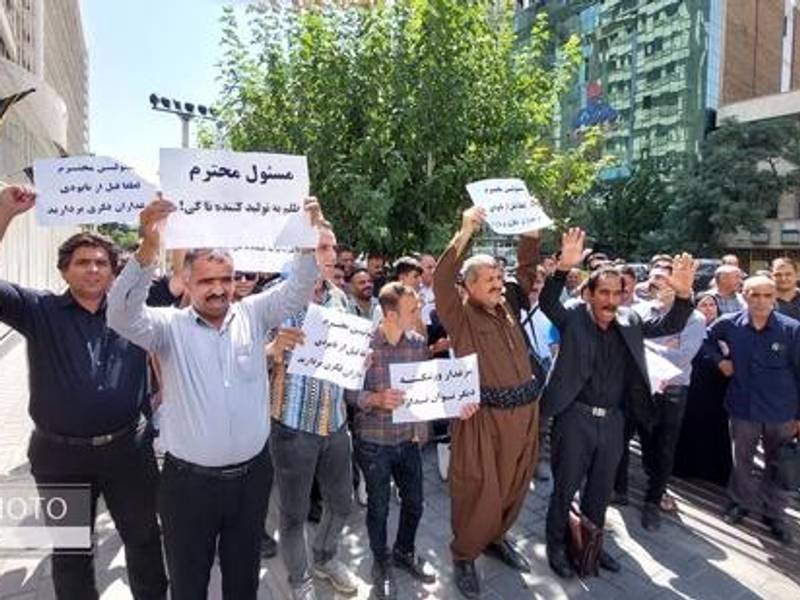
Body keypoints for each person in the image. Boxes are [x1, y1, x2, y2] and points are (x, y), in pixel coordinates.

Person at [107, 198, 322, 600]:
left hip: (251, 480)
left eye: (226, 278)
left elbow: (296, 292)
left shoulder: (253, 314)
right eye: (207, 281)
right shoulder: (167, 327)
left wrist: (307, 240)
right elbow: (119, 315)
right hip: (188, 487)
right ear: (186, 284)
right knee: (189, 583)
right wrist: (147, 250)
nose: (219, 289)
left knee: (243, 580)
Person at [0, 184, 168, 600]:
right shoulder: (37, 310)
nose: (92, 269)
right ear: (64, 271)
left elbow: (179, 277)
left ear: (113, 271)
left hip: (129, 452)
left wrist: (152, 236)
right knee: (72, 551)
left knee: (144, 538)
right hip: (60, 458)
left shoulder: (133, 311)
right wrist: (4, 213)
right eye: (81, 262)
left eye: (100, 263)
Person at [539, 228, 696, 579]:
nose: (611, 300)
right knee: (565, 488)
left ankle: (591, 545)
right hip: (574, 418)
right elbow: (548, 303)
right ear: (589, 294)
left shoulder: (631, 320)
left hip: (614, 422)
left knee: (600, 490)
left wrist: (684, 294)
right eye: (604, 293)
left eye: (617, 293)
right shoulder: (573, 316)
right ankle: (556, 546)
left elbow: (670, 322)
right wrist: (563, 268)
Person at [433, 207, 538, 599]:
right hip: (483, 419)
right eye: (490, 279)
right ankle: (464, 555)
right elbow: (442, 280)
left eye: (498, 277)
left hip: (524, 414)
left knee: (514, 484)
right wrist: (464, 232)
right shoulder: (459, 316)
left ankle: (496, 538)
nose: (498, 284)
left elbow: (526, 272)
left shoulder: (507, 306)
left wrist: (530, 233)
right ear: (469, 285)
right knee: (478, 489)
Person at [268, 225, 359, 600]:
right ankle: (299, 579)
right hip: (293, 427)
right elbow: (245, 357)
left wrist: (361, 360)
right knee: (293, 514)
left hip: (335, 424)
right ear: (301, 251)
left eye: (333, 247)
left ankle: (325, 557)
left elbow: (349, 356)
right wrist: (272, 349)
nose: (332, 254)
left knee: (342, 503)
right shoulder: (274, 298)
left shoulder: (340, 298)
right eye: (322, 247)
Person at [349, 283, 437, 599]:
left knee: (415, 502)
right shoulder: (361, 345)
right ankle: (381, 562)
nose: (419, 314)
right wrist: (375, 399)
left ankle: (404, 550)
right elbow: (347, 392)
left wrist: (424, 427)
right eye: (412, 310)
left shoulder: (417, 344)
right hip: (373, 443)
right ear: (390, 315)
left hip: (408, 441)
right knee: (379, 508)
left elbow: (425, 391)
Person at [704, 275, 800, 545]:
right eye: (754, 295)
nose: (761, 301)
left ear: (774, 298)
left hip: (781, 409)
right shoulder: (729, 323)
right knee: (742, 459)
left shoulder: (792, 329)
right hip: (742, 406)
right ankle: (740, 502)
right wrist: (720, 361)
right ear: (743, 295)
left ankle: (775, 513)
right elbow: (706, 339)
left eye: (767, 295)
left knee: (780, 462)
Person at [634, 270, 705, 530]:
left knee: (665, 446)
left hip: (673, 390)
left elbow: (682, 357)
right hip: (642, 388)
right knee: (646, 440)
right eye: (655, 285)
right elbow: (629, 347)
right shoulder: (640, 312)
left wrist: (645, 346)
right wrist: (666, 346)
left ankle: (653, 500)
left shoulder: (694, 318)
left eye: (667, 284)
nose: (660, 289)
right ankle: (652, 483)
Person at [672, 293, 732, 486]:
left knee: (716, 430)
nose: (708, 308)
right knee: (690, 425)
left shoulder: (727, 330)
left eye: (712, 305)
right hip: (694, 387)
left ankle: (714, 473)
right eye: (703, 305)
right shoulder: (686, 328)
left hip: (718, 390)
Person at [771, 257, 800, 321]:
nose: (783, 278)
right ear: (771, 276)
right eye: (778, 274)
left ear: (797, 276)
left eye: (788, 274)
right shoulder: (763, 301)